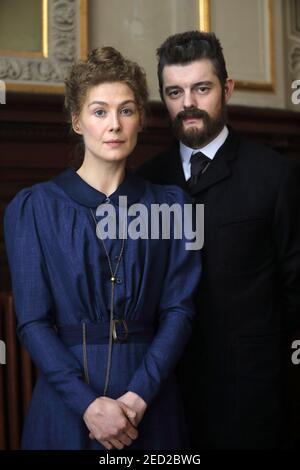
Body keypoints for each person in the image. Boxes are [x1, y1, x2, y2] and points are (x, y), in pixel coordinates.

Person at [3, 47, 201, 450]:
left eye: (126, 111)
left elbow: (179, 310)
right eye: (99, 112)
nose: (114, 124)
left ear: (141, 120)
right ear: (77, 121)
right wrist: (88, 405)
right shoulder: (34, 208)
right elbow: (32, 323)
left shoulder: (175, 206)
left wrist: (138, 396)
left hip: (151, 399)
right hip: (66, 404)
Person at [138, 31, 300, 449]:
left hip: (254, 396)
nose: (188, 103)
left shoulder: (274, 175)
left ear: (226, 89)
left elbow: (296, 289)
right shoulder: (145, 182)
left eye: (201, 88)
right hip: (166, 393)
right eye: (174, 92)